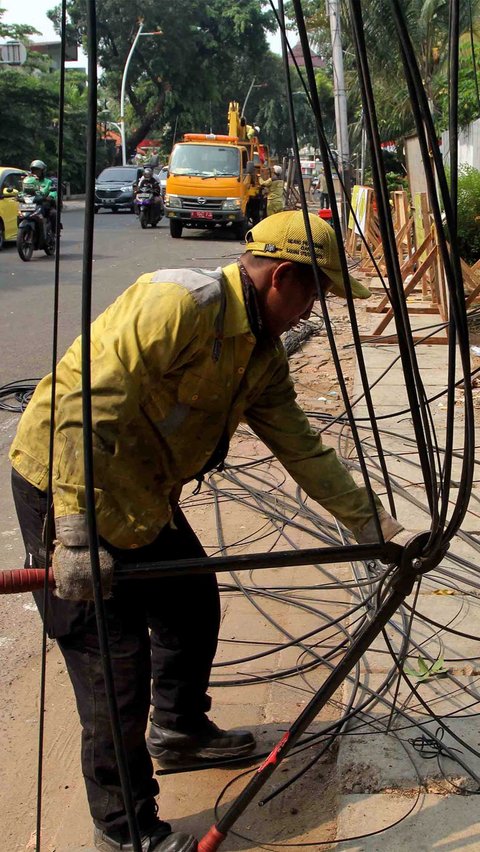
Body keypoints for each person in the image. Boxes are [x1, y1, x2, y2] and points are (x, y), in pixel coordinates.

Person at [10, 210, 409, 852]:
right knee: (112, 664)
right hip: (66, 482)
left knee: (191, 601)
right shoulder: (178, 305)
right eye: (315, 293)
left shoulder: (261, 354)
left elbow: (301, 446)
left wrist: (373, 521)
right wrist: (76, 536)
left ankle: (179, 730)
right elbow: (82, 409)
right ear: (282, 277)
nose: (313, 312)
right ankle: (127, 829)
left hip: (139, 489)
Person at [25, 159, 57, 232]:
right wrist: (18, 195)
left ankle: (53, 233)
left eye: (38, 170)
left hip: (43, 203)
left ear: (42, 171)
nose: (36, 172)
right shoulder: (28, 181)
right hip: (31, 204)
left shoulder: (48, 181)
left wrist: (51, 196)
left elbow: (53, 191)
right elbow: (23, 191)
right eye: (34, 170)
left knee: (53, 213)